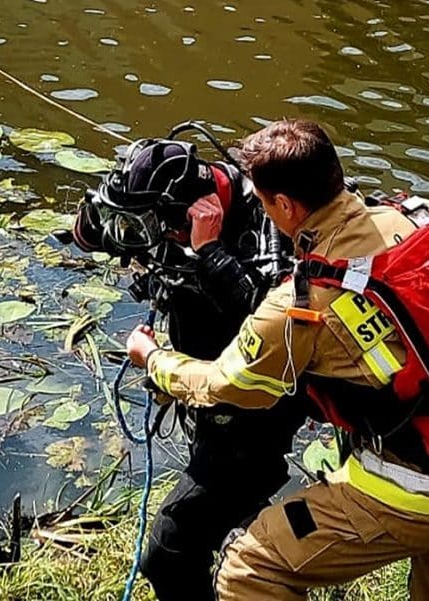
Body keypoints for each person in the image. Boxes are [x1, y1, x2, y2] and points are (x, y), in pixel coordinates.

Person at [126, 119, 429, 600]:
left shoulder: (303, 301)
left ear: (284, 205)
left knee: (249, 570)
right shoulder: (427, 218)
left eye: (262, 201)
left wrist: (153, 358)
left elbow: (223, 382)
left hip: (427, 491)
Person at [68, 131, 310, 601]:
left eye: (157, 228)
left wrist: (211, 253)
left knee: (167, 550)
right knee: (229, 517)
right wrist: (108, 208)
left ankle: (255, 551)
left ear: (200, 212)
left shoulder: (270, 228)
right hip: (196, 379)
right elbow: (85, 234)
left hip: (256, 400)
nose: (147, 241)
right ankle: (252, 540)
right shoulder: (157, 213)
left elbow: (280, 332)